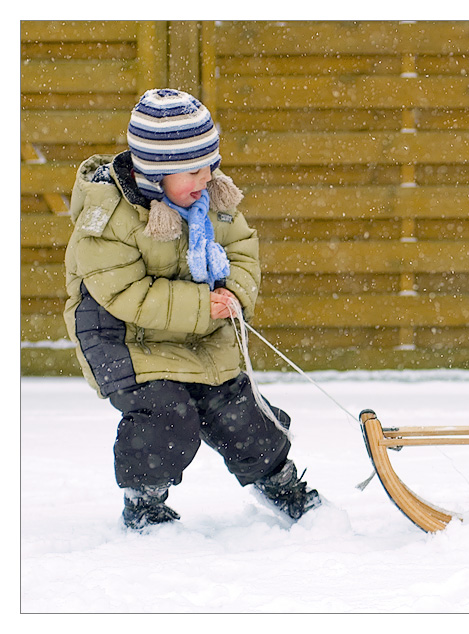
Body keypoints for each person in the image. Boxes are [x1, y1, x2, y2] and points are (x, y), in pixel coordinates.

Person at [63, 88, 320, 531]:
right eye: (193, 170)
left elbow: (241, 248)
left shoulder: (210, 200)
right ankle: (144, 502)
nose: (206, 178)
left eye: (210, 165)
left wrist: (236, 291)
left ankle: (281, 482)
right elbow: (127, 293)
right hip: (125, 338)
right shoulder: (108, 219)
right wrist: (204, 304)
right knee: (168, 415)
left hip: (197, 332)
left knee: (240, 411)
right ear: (154, 173)